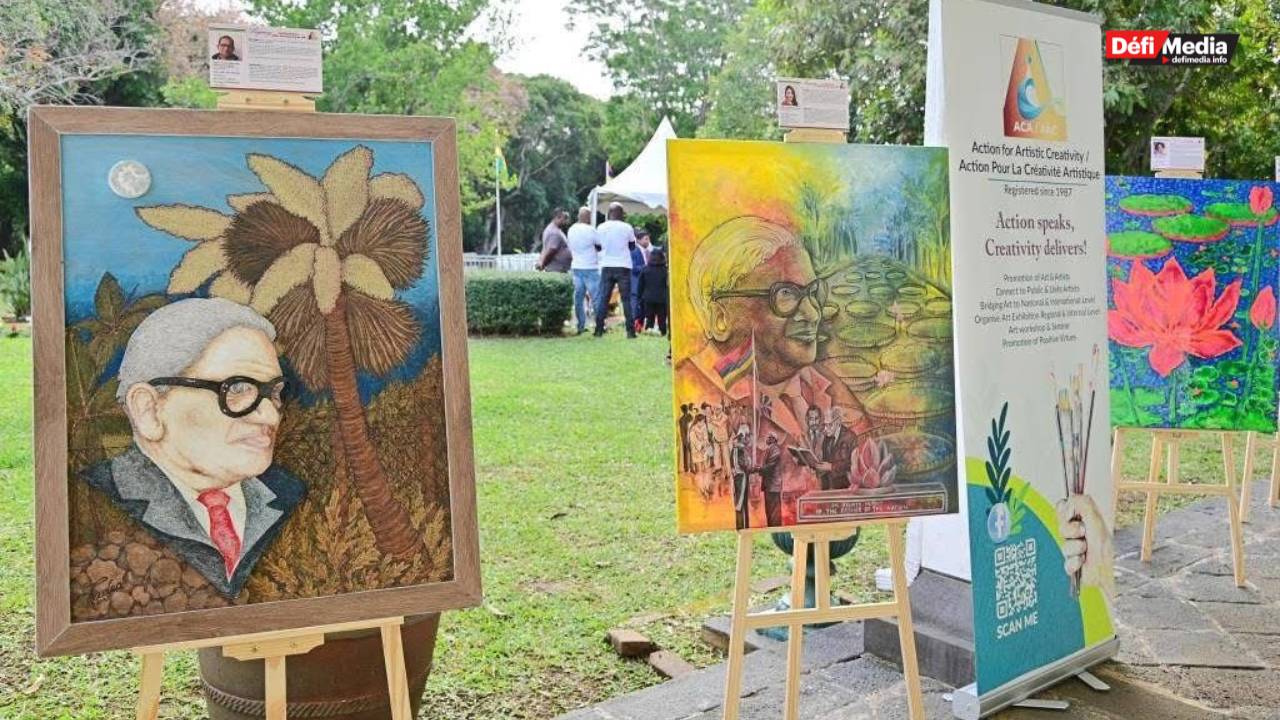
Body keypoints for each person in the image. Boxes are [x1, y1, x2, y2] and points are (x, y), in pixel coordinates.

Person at [82, 298, 305, 598]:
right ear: (149, 410)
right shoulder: (91, 504)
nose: (270, 416)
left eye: (274, 392)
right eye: (237, 389)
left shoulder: (293, 496)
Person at [673, 216, 868, 528]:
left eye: (812, 293)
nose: (812, 314)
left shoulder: (823, 383)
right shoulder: (697, 390)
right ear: (721, 317)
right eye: (786, 295)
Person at [594, 202, 638, 338]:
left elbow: (597, 247)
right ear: (621, 214)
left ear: (609, 213)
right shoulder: (627, 227)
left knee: (603, 298)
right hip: (623, 266)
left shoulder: (601, 227)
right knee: (626, 300)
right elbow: (632, 246)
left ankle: (598, 330)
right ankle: (630, 332)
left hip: (607, 265)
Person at [566, 207, 600, 335]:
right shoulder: (591, 230)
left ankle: (581, 325)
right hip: (590, 267)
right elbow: (599, 246)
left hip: (576, 267)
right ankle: (599, 326)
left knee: (578, 298)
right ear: (587, 217)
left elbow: (570, 246)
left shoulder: (571, 229)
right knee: (596, 298)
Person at [636, 246, 669, 336]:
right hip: (662, 298)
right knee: (662, 318)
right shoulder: (665, 270)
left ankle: (649, 330)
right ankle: (663, 331)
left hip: (648, 298)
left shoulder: (645, 269)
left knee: (649, 317)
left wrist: (639, 297)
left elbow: (640, 285)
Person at [729, 425, 754, 529]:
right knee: (740, 504)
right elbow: (743, 464)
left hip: (740, 477)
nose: (747, 439)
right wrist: (751, 467)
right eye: (746, 436)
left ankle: (744, 527)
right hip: (741, 477)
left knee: (742, 503)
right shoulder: (739, 449)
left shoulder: (737, 449)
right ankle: (742, 527)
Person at [630, 229, 655, 329]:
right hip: (636, 281)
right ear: (639, 240)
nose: (648, 241)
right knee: (635, 302)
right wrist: (646, 267)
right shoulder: (634, 251)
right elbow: (633, 267)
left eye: (648, 239)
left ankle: (641, 323)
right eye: (646, 239)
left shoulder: (648, 251)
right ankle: (633, 323)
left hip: (645, 282)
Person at [535, 208, 572, 274]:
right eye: (565, 218)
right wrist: (543, 264)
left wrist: (541, 262)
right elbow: (552, 251)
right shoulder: (554, 232)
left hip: (558, 269)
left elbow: (545, 248)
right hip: (557, 269)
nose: (566, 221)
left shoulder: (554, 229)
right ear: (558, 217)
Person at [758, 434, 784, 526]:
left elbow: (770, 467)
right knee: (769, 511)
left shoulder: (775, 450)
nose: (767, 439)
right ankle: (772, 528)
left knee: (774, 513)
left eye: (769, 437)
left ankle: (775, 529)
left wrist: (758, 469)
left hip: (773, 486)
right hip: (769, 486)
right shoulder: (770, 449)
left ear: (773, 439)